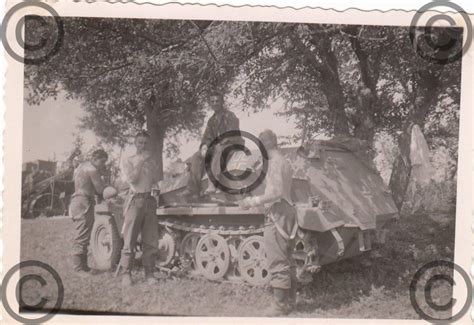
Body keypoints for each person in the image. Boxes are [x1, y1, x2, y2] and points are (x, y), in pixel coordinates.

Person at [239, 130, 298, 316]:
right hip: (288, 209)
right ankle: (290, 301)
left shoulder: (274, 163)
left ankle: (279, 306)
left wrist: (252, 201)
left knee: (277, 259)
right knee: (288, 259)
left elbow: (275, 192)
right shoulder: (285, 162)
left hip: (277, 211)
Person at [119, 131, 160, 287]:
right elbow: (132, 179)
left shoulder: (152, 161)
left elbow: (154, 180)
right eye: (140, 142)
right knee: (129, 239)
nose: (143, 145)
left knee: (150, 240)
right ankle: (126, 273)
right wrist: (141, 161)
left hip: (149, 201)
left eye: (145, 143)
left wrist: (156, 188)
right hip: (135, 201)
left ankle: (149, 273)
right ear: (135, 143)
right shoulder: (128, 160)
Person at [186, 91, 243, 199]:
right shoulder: (211, 120)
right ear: (210, 103)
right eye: (212, 101)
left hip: (231, 144)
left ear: (222, 102)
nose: (215, 103)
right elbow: (207, 136)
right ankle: (194, 190)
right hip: (217, 146)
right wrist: (204, 146)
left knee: (218, 149)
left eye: (217, 101)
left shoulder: (230, 116)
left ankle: (213, 183)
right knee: (197, 156)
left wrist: (219, 142)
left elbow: (232, 133)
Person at [69, 149, 108, 276]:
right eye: (102, 161)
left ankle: (84, 266)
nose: (103, 164)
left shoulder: (81, 167)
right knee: (81, 235)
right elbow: (100, 189)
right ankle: (78, 268)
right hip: (84, 202)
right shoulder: (92, 170)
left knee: (84, 234)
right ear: (95, 159)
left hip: (77, 201)